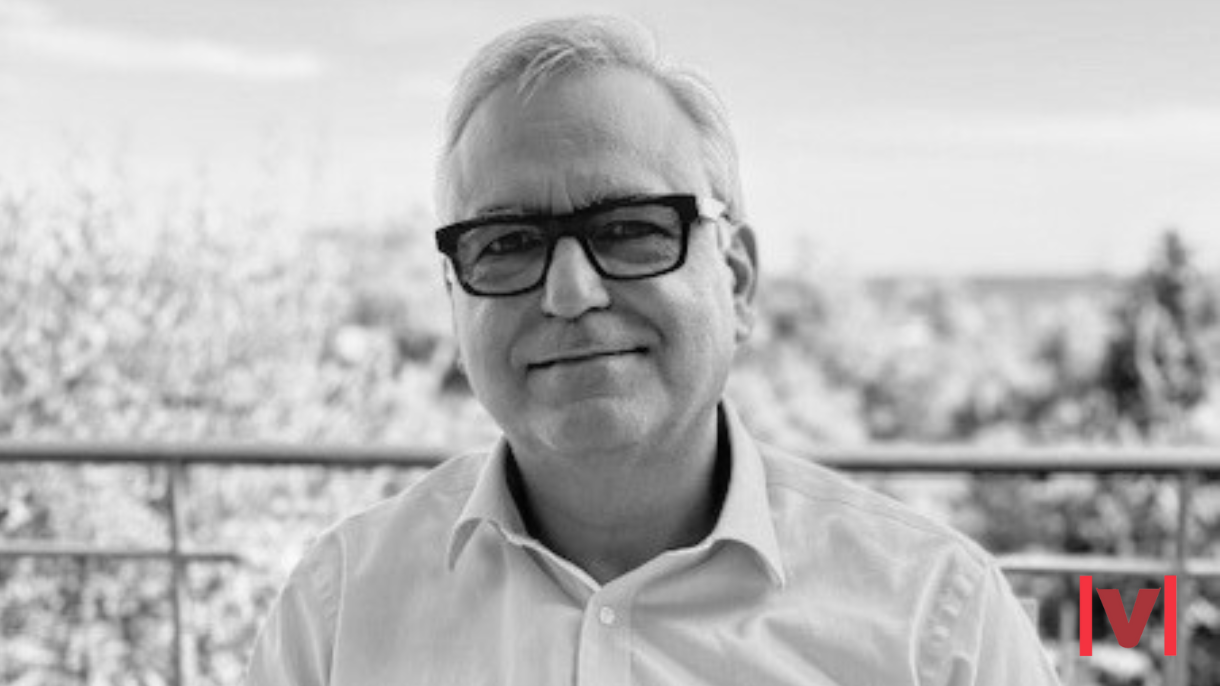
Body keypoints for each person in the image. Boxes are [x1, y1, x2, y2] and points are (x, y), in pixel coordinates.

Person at [246, 15, 1061, 685]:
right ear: (455, 302)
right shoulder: (339, 613)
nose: (570, 292)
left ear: (737, 280)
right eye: (507, 243)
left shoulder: (936, 623)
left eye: (630, 228)